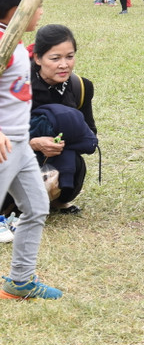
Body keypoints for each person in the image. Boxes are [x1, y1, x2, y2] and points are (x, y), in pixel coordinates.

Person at [0, 0, 62, 300]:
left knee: (36, 207)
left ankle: (20, 280)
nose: (41, 11)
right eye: (37, 4)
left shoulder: (13, 42)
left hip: (20, 143)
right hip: (3, 145)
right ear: (16, 9)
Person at [28, 24, 98, 213]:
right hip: (17, 157)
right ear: (37, 58)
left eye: (70, 56)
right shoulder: (17, 86)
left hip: (59, 157)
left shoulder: (80, 87)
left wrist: (63, 139)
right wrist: (33, 142)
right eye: (55, 58)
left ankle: (57, 199)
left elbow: (90, 131)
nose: (64, 65)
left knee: (73, 161)